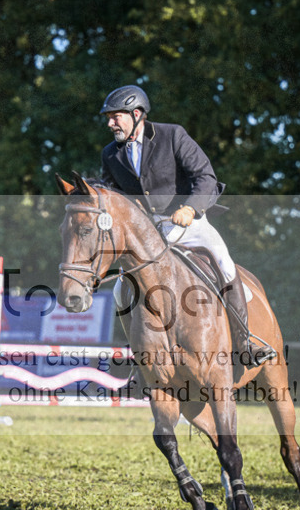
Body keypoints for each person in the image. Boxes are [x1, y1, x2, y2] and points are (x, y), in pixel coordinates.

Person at [98, 84, 275, 366]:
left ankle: (245, 342)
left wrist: (190, 207)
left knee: (224, 262)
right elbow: (112, 195)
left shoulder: (172, 135)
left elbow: (206, 177)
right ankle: (140, 354)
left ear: (136, 114)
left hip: (189, 221)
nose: (110, 123)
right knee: (121, 289)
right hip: (149, 234)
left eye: (115, 116)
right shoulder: (110, 154)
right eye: (108, 117)